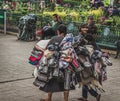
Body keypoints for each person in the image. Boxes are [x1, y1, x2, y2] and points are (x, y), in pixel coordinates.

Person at [39, 24, 70, 101]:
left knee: (51, 79)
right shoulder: (68, 39)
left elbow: (47, 49)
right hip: (65, 63)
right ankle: (65, 100)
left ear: (58, 31)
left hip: (54, 63)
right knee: (66, 82)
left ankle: (49, 98)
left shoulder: (54, 38)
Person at [77, 23, 101, 101]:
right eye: (83, 27)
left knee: (84, 78)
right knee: (85, 77)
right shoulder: (80, 36)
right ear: (80, 28)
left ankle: (95, 94)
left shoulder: (88, 36)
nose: (85, 29)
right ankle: (84, 97)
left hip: (87, 61)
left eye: (86, 27)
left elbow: (94, 46)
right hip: (83, 60)